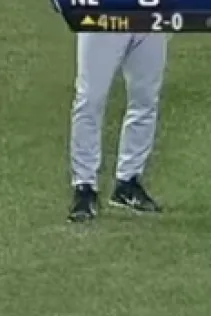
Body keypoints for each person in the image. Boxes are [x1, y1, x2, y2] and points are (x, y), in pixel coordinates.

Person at [62, 27, 168, 222]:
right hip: (102, 19)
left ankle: (128, 181)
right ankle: (84, 186)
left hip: (149, 19)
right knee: (90, 100)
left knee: (145, 99)